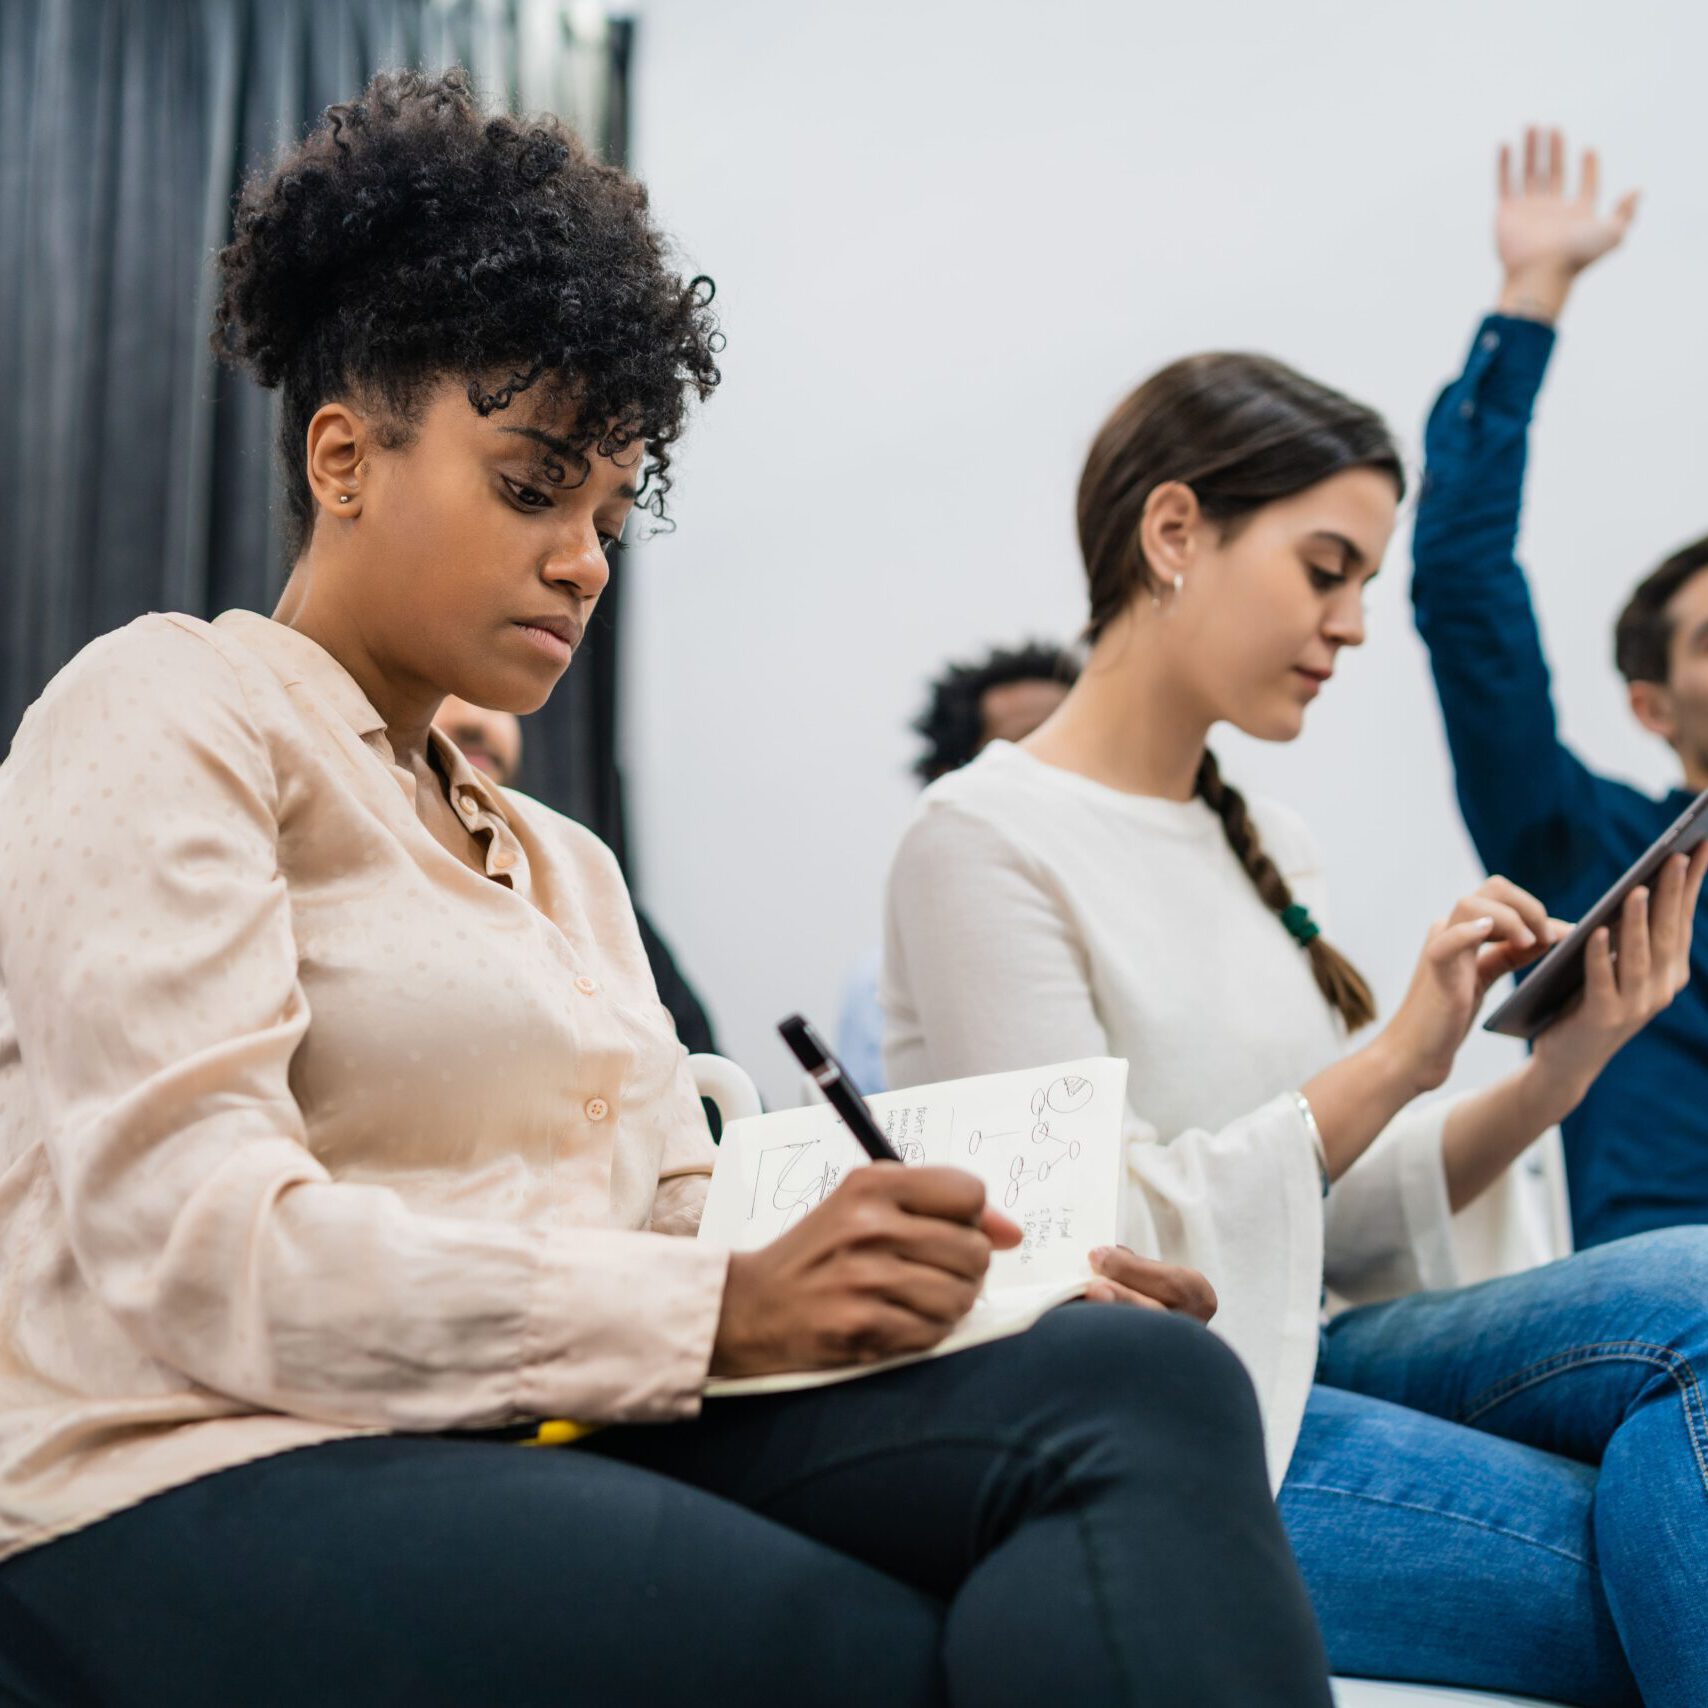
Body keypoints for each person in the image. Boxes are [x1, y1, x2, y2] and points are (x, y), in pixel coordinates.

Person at [0, 70, 1332, 1706]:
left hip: (539, 1420)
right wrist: (723, 1303)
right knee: (902, 1653)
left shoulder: (561, 865)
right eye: (530, 484)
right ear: (343, 455)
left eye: (612, 511)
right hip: (181, 1464)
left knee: (1136, 1376)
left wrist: (993, 1272)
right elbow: (191, 1248)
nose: (584, 559)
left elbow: (679, 1205)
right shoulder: (168, 708)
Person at [883, 344, 1708, 1704]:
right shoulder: (981, 842)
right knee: (1656, 1518)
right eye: (1328, 570)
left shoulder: (1268, 838)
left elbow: (1330, 1216)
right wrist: (1396, 1060)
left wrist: (1560, 1068)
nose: (1355, 623)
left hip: (1325, 1339)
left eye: (1369, 585)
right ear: (1174, 533)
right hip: (1175, 1411)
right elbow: (1087, 1242)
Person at [1412, 127, 1708, 1250]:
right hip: (1679, 1319)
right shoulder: (1590, 851)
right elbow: (1462, 586)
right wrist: (1530, 296)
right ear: (1651, 704)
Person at [838, 643, 1077, 1088]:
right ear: (950, 778)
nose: (1059, 770)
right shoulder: (875, 989)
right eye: (1025, 748)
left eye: (1075, 743)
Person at [435, 695, 719, 1054]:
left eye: (495, 700)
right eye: (441, 694)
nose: (475, 719)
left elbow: (709, 1067)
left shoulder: (594, 888)